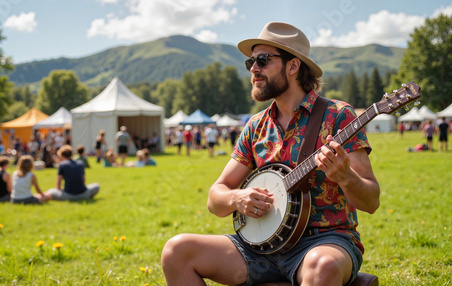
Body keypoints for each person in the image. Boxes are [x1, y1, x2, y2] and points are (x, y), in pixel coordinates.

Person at [161, 22, 380, 286]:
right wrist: (237, 197)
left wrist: (346, 178)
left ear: (293, 66)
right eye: (250, 63)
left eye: (263, 60)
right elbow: (214, 197)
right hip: (259, 249)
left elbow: (371, 201)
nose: (254, 69)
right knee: (177, 251)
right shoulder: (256, 126)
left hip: (325, 241)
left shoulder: (338, 116)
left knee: (322, 267)